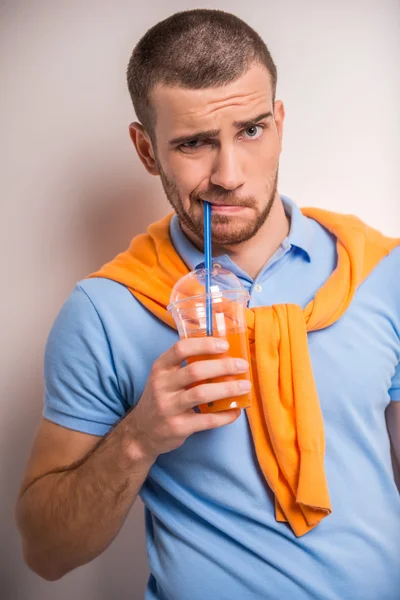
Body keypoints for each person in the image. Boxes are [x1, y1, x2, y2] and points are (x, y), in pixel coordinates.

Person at [16, 9, 400, 600]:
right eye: (195, 143)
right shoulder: (106, 309)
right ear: (147, 151)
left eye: (250, 130)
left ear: (279, 123)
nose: (229, 175)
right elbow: (44, 552)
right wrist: (139, 437)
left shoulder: (378, 271)